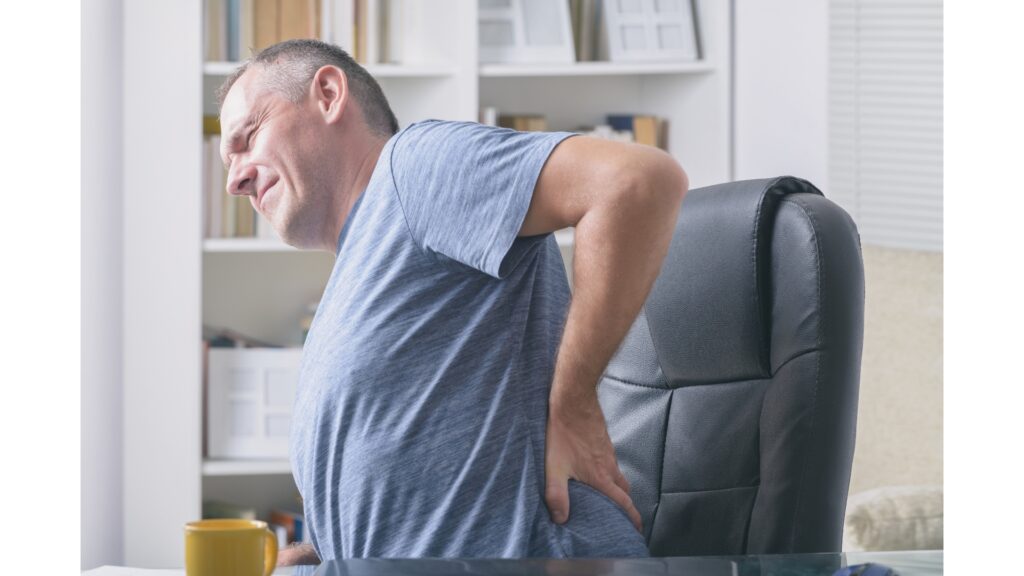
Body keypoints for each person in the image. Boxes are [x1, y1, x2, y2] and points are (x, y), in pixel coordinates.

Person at [217, 39, 687, 568]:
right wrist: (317, 556)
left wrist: (573, 404)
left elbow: (638, 181)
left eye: (247, 138)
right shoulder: (352, 280)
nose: (234, 179)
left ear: (327, 94)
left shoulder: (411, 169)